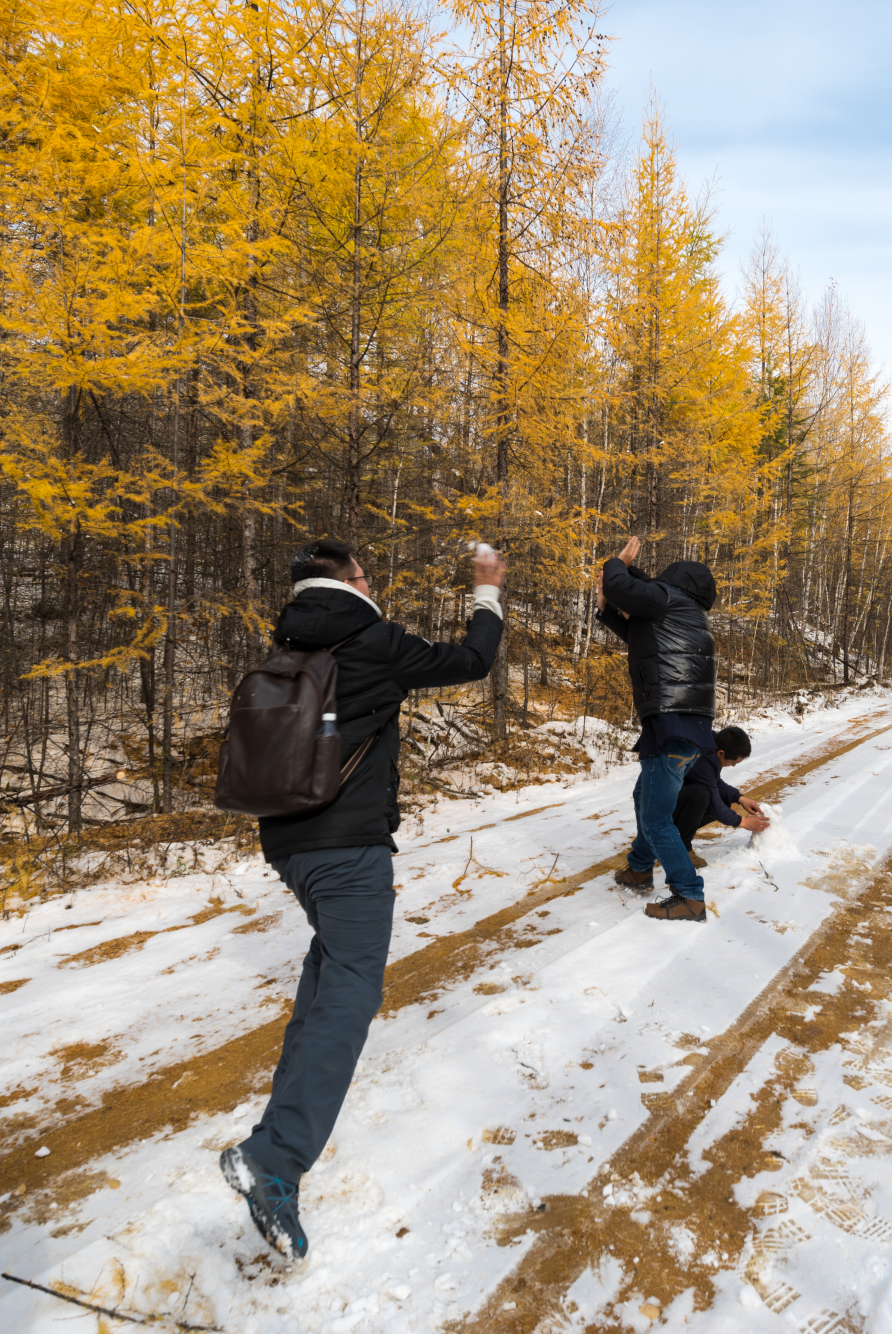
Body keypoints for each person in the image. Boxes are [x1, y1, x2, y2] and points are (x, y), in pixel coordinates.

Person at [220, 539, 505, 1258]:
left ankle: (276, 1138)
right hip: (349, 850)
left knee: (327, 978)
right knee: (349, 993)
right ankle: (275, 1158)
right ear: (353, 580)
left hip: (289, 847)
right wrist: (486, 590)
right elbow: (473, 660)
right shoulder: (375, 640)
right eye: (366, 574)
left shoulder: (285, 645)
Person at [595, 536, 720, 921]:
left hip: (671, 722)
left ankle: (688, 894)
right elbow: (639, 635)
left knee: (655, 817)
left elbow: (623, 587)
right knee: (644, 798)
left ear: (674, 580)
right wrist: (605, 609)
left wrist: (617, 563)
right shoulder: (686, 612)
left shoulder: (667, 599)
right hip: (684, 726)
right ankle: (638, 868)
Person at [671, 725, 772, 862]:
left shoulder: (712, 745)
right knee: (701, 794)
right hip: (658, 805)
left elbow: (714, 782)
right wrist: (742, 822)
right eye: (733, 762)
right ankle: (682, 847)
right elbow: (713, 800)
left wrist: (740, 798)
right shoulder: (702, 758)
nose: (733, 766)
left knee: (722, 799)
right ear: (721, 753)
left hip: (674, 795)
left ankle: (674, 836)